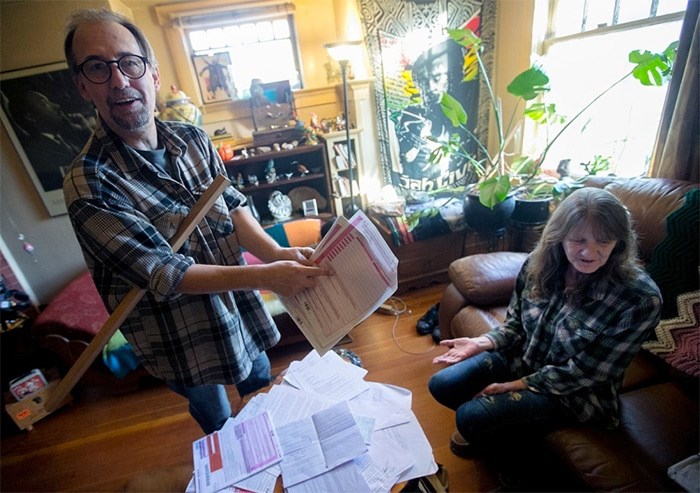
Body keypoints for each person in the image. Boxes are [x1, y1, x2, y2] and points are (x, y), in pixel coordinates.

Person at [62, 8, 331, 435]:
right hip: (175, 334)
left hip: (235, 308)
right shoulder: (89, 184)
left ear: (152, 74)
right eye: (98, 68)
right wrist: (267, 275)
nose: (118, 80)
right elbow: (165, 272)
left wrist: (274, 253)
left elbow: (233, 203)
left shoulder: (191, 139)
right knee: (218, 421)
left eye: (129, 62)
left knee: (261, 389)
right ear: (82, 86)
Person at [428, 187, 662, 479]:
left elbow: (585, 373)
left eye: (604, 241)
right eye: (578, 240)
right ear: (560, 234)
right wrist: (484, 341)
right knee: (442, 384)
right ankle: (504, 432)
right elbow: (515, 323)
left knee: (470, 417)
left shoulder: (639, 299)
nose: (590, 252)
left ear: (620, 241)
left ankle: (514, 451)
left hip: (576, 392)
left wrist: (517, 385)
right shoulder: (537, 264)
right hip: (522, 357)